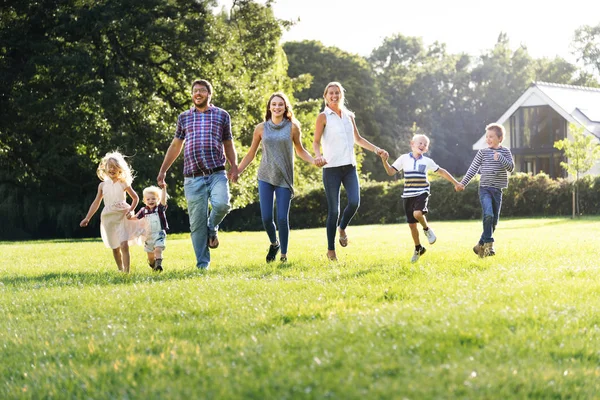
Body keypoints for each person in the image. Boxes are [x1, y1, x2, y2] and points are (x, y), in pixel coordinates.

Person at [157, 79, 238, 270]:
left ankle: (212, 227)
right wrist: (163, 170)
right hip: (192, 177)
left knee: (222, 204)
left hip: (216, 172)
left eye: (202, 91)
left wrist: (234, 166)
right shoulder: (184, 117)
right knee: (196, 224)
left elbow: (228, 143)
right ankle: (203, 265)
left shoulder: (222, 115)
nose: (198, 94)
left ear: (209, 94)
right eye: (195, 91)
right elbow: (176, 145)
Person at [237, 92, 325, 263]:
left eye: (280, 104)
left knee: (283, 218)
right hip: (265, 175)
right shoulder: (261, 128)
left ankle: (284, 255)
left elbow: (299, 150)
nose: (277, 107)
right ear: (269, 107)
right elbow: (251, 154)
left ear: (285, 108)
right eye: (274, 104)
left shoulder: (292, 127)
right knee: (266, 218)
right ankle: (274, 243)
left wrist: (314, 160)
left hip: (284, 177)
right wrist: (237, 170)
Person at [313, 81, 388, 261]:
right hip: (331, 169)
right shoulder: (323, 117)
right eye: (330, 93)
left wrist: (377, 150)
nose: (334, 96)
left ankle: (342, 228)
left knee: (354, 202)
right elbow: (316, 142)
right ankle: (331, 250)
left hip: (349, 168)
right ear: (325, 96)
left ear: (341, 95)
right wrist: (318, 156)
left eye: (337, 92)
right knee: (333, 211)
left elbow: (358, 139)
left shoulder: (349, 116)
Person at [379, 134, 462, 263]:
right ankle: (418, 248)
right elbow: (390, 172)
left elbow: (442, 171)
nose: (422, 146)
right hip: (408, 195)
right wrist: (384, 161)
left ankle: (427, 229)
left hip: (422, 192)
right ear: (412, 144)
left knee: (417, 213)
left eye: (425, 144)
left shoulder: (427, 161)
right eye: (420, 143)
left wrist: (456, 183)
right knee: (412, 226)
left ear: (427, 149)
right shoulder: (404, 158)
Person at [80, 151, 143, 273]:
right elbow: (96, 202)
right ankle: (120, 269)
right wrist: (87, 218)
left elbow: (135, 198)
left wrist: (131, 210)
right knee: (115, 247)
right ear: (105, 168)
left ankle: (127, 272)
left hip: (122, 216)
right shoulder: (102, 185)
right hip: (108, 218)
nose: (112, 169)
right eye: (110, 167)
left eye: (115, 167)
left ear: (120, 169)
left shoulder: (123, 183)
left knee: (124, 245)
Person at [459, 123, 514, 258]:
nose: (488, 139)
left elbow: (511, 168)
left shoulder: (505, 151)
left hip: (497, 190)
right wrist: (463, 183)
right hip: (485, 189)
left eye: (491, 136)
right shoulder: (482, 152)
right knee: (488, 214)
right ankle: (489, 244)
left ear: (500, 138)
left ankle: (480, 246)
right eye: (487, 136)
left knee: (493, 222)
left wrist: (500, 158)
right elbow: (472, 169)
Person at [136, 185, 169, 272]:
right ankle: (153, 264)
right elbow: (135, 218)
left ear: (158, 199)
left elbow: (164, 200)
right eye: (148, 199)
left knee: (158, 249)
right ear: (144, 200)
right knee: (150, 257)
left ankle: (158, 265)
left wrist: (164, 188)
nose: (151, 201)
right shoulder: (143, 211)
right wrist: (128, 217)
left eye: (153, 199)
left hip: (159, 233)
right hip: (148, 236)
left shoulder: (159, 209)